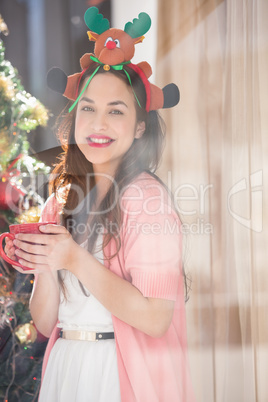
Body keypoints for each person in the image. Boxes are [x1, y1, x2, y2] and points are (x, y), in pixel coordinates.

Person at [4, 8, 195, 402]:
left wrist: (72, 258)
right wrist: (44, 262)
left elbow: (156, 319)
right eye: (88, 108)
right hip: (66, 369)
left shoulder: (147, 200)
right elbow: (44, 322)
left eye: (116, 111)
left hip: (118, 375)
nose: (98, 123)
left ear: (140, 127)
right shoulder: (60, 203)